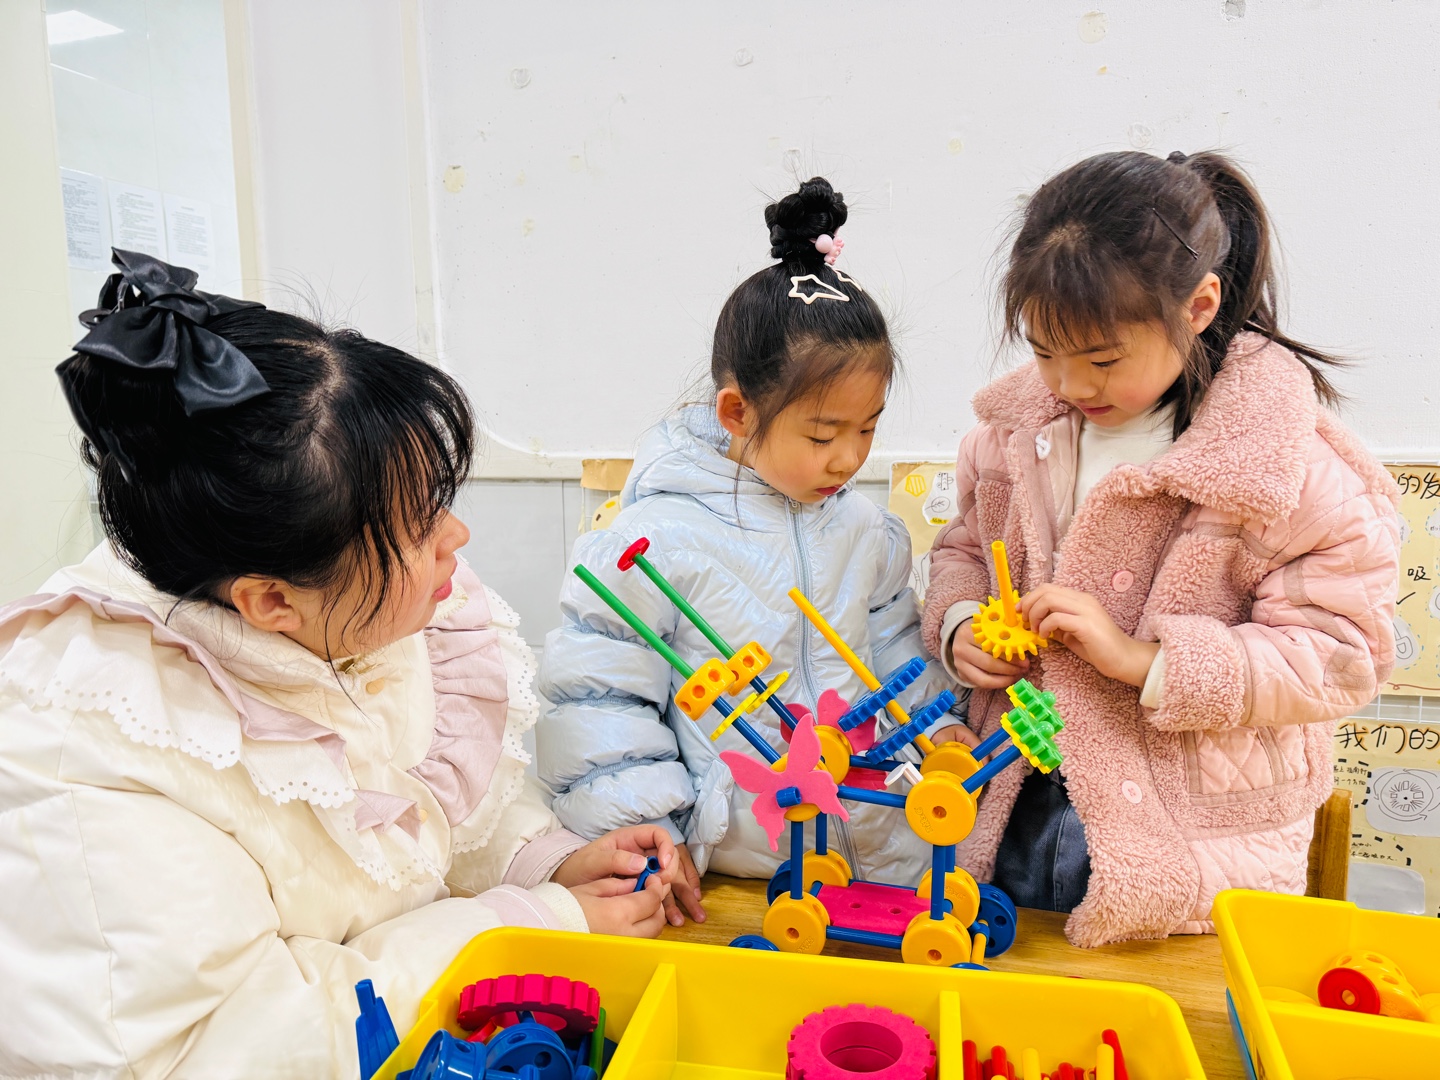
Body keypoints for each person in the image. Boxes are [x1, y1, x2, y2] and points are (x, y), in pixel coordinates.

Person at [0, 251, 678, 1077]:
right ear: (271, 601)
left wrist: (542, 859)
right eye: (421, 524)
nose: (456, 538)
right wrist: (536, 923)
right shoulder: (93, 749)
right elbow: (226, 1046)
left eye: (440, 500)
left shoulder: (343, 604)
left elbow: (409, 808)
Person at [923, 151, 1400, 946]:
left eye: (1103, 359)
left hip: (1187, 839)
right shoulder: (1009, 437)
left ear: (1199, 305)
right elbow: (964, 551)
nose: (1071, 384)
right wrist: (960, 624)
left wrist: (1146, 661)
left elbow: (1341, 654)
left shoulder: (1294, 468)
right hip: (1009, 801)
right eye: (1044, 351)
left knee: (1151, 1013)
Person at [537, 179, 962, 925]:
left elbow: (897, 650)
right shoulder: (651, 542)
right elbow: (600, 704)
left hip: (878, 853)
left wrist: (936, 728)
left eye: (868, 429)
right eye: (823, 435)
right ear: (738, 412)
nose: (849, 458)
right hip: (728, 875)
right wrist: (652, 834)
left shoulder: (865, 529)